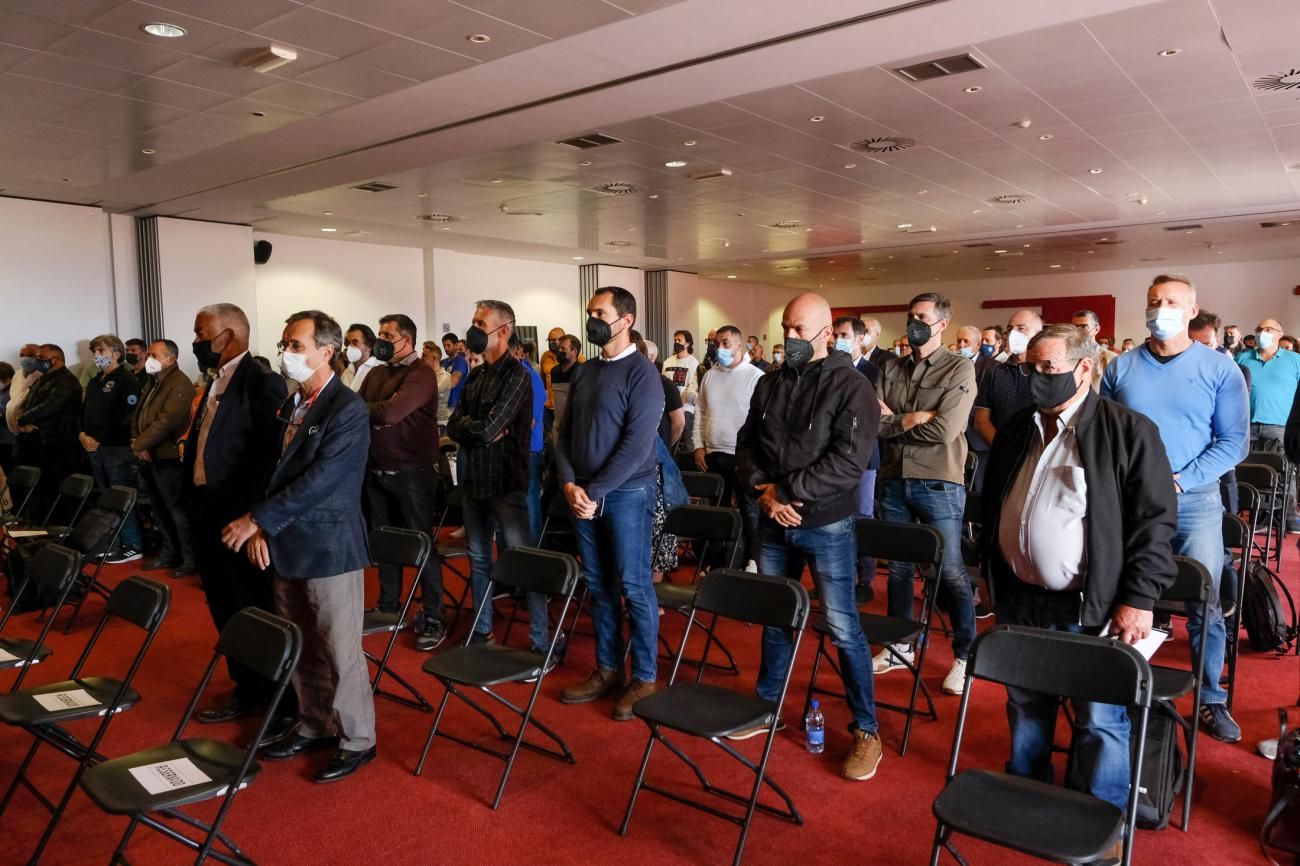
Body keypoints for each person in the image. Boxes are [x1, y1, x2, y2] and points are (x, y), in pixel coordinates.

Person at [982, 324, 1177, 827]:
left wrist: (1138, 598)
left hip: (1092, 602)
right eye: (1031, 369)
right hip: (1021, 596)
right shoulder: (1019, 427)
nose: (1036, 380)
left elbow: (1154, 525)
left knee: (1099, 717)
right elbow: (995, 501)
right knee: (1025, 701)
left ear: (1084, 368)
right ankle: (1027, 794)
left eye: (1049, 369)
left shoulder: (1129, 431)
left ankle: (1100, 819)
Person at [221, 310, 377, 783]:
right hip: (285, 541)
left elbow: (321, 482)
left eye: (296, 345)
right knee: (302, 643)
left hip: (328, 546)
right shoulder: (293, 404)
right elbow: (269, 474)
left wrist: (256, 521)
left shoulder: (347, 409)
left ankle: (357, 739)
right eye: (285, 343)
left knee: (339, 648)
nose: (286, 353)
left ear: (326, 351)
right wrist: (265, 529)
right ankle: (314, 723)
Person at [734, 292, 882, 780]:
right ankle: (766, 707)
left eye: (800, 330)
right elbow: (748, 443)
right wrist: (765, 493)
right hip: (773, 520)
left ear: (826, 330)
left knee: (843, 628)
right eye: (786, 329)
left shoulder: (851, 385)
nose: (790, 338)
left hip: (826, 523)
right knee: (777, 619)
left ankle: (866, 730)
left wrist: (788, 491)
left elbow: (847, 463)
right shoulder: (770, 383)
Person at [1101, 274, 1250, 743]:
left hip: (1194, 501)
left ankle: (1210, 697)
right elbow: (1102, 435)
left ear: (1191, 310)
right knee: (1119, 593)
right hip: (1129, 502)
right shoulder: (1121, 368)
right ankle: (1116, 685)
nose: (1160, 308)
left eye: (1170, 301)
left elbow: (1234, 442)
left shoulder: (1220, 368)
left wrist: (1181, 479)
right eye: (1153, 301)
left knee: (1203, 601)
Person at [556, 286, 665, 720]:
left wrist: (593, 492)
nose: (592, 320)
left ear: (626, 320)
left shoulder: (642, 374)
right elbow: (564, 432)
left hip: (624, 493)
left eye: (600, 313)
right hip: (582, 492)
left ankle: (645, 676)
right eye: (589, 312)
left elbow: (637, 446)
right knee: (599, 586)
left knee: (635, 587)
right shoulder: (584, 371)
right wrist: (568, 483)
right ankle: (607, 668)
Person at [184, 303, 290, 725]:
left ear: (227, 337)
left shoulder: (262, 383)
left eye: (200, 333)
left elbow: (269, 459)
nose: (196, 341)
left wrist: (256, 519)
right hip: (206, 509)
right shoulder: (214, 382)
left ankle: (277, 697)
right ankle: (246, 686)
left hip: (239, 518)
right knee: (224, 606)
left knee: (254, 606)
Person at [875, 292, 978, 695]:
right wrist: (913, 417)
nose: (913, 322)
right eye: (910, 315)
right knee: (899, 568)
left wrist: (897, 421)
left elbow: (946, 430)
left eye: (921, 317)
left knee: (950, 570)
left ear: (941, 325)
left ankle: (966, 654)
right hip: (894, 476)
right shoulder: (892, 366)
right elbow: (872, 423)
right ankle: (901, 645)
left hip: (938, 480)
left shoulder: (959, 369)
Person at [360, 313, 446, 651]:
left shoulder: (420, 373)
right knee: (385, 544)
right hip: (377, 469)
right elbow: (356, 407)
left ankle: (435, 616)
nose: (380, 339)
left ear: (406, 340)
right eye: (379, 333)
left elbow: (390, 413)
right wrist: (374, 412)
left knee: (422, 546)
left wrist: (376, 412)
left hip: (413, 474)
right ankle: (389, 605)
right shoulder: (379, 372)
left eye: (387, 334)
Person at [692, 325, 765, 569]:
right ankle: (716, 561)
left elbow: (760, 422)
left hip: (743, 457)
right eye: (717, 344)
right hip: (713, 453)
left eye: (724, 343)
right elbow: (700, 412)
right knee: (716, 512)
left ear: (738, 344)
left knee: (749, 510)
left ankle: (752, 559)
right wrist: (698, 446)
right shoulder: (711, 375)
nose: (719, 348)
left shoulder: (755, 376)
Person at [131, 339, 196, 575]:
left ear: (171, 359)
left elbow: (168, 421)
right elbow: (138, 415)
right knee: (158, 509)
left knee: (177, 510)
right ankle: (169, 553)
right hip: (149, 455)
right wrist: (137, 442)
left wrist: (139, 444)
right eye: (149, 354)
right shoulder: (154, 382)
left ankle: (189, 559)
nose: (149, 359)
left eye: (155, 355)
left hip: (168, 456)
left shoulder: (179, 383)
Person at [80, 334, 144, 563]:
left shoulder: (127, 380)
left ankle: (132, 544)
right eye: (94, 351)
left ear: (116, 354)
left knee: (121, 497)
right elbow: (85, 411)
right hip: (95, 448)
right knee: (105, 498)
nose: (96, 355)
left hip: (116, 449)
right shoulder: (95, 380)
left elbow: (126, 417)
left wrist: (99, 438)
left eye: (101, 351)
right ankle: (112, 542)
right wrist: (82, 434)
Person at [1237, 317, 1300, 531]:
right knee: (1249, 472)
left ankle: (1288, 517)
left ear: (1280, 334)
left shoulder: (1294, 360)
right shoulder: (1243, 358)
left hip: (1280, 426)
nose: (1262, 332)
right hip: (1247, 425)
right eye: (1258, 329)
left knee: (1284, 474)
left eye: (1268, 329)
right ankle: (1255, 518)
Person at [633, 331, 684, 584]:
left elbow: (678, 423)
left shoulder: (662, 384)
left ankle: (654, 592)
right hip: (632, 469)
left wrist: (665, 449)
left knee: (658, 529)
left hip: (655, 464)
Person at [16, 344, 83, 521]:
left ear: (55, 359)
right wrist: (23, 419)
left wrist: (24, 419)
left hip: (59, 442)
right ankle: (42, 523)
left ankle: (62, 526)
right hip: (40, 441)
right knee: (42, 486)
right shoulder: (42, 379)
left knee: (59, 486)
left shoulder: (66, 380)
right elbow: (27, 403)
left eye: (41, 358)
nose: (37, 361)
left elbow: (51, 406)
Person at [973, 309, 1043, 446]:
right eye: (1010, 328)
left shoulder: (1047, 374)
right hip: (999, 452)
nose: (1013, 333)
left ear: (1038, 335)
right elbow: (981, 421)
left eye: (1021, 328)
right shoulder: (995, 372)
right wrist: (1003, 450)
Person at [512, 333, 549, 547]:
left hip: (528, 450)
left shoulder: (529, 377)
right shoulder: (508, 375)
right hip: (510, 450)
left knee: (530, 503)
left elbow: (530, 422)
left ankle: (536, 553)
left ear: (517, 351)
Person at [663, 330, 701, 450]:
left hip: (686, 407)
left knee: (688, 441)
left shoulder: (694, 363)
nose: (676, 342)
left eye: (679, 340)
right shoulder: (668, 362)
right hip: (667, 407)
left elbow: (692, 387)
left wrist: (680, 400)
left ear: (688, 344)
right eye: (675, 340)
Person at [1070, 310, 1118, 390]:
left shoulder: (1111, 358)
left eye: (1084, 326)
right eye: (1075, 327)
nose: (1079, 331)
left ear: (1096, 329)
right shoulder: (1065, 355)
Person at [342, 324, 382, 393]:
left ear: (369, 345)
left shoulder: (380, 369)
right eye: (348, 343)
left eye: (355, 342)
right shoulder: (347, 372)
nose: (349, 347)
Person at [440, 332, 469, 410]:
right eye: (444, 346)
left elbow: (452, 383)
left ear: (456, 345)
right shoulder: (443, 362)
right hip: (442, 403)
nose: (446, 348)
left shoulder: (461, 361)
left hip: (454, 404)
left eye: (448, 345)